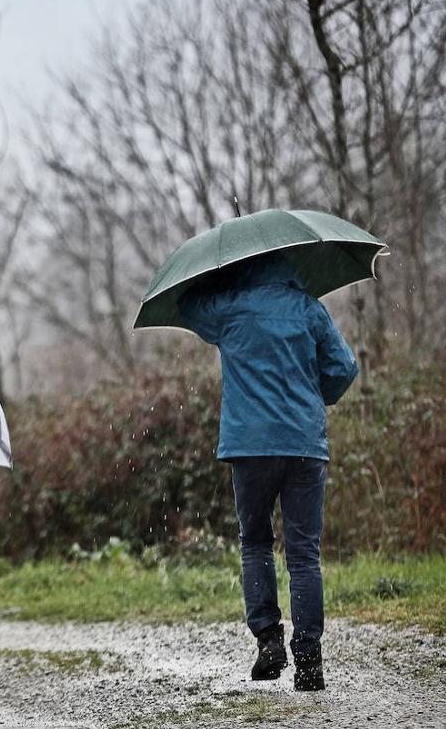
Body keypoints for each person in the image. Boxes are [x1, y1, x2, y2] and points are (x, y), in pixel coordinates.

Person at [179, 252, 359, 692]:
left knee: (255, 541)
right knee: (304, 554)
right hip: (304, 445)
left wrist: (222, 278)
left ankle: (268, 642)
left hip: (250, 446)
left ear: (247, 265)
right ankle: (310, 661)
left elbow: (187, 305)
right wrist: (317, 397)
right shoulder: (308, 308)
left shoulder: (230, 308)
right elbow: (344, 368)